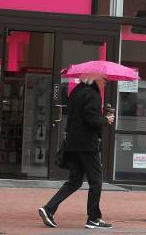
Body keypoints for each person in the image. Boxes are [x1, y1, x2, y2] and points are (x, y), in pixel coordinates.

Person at [38, 76, 114, 229]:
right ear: (96, 78)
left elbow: (77, 116)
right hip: (87, 145)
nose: (106, 83)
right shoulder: (93, 94)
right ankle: (93, 218)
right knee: (96, 181)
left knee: (74, 181)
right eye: (104, 80)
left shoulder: (75, 92)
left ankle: (48, 208)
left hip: (73, 143)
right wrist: (106, 119)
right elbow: (91, 120)